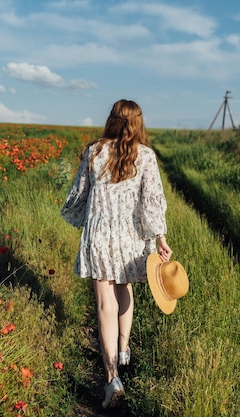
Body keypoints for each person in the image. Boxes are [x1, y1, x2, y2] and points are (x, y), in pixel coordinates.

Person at [61, 99, 172, 409]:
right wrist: (160, 237)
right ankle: (123, 350)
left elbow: (78, 195)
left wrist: (79, 215)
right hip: (132, 238)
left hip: (99, 235)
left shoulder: (94, 151)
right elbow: (152, 203)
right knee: (125, 290)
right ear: (138, 123)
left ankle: (112, 378)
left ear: (111, 120)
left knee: (104, 302)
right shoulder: (146, 156)